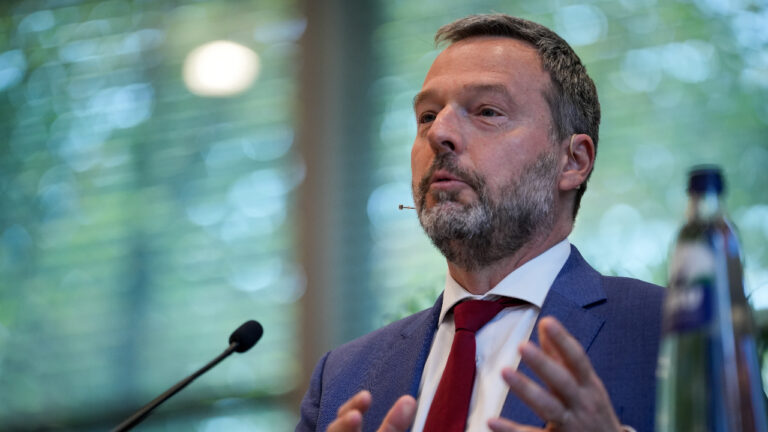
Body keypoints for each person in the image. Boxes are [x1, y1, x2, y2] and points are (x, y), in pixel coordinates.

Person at [296, 13, 663, 432]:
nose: (439, 133)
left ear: (573, 161)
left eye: (487, 111)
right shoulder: (341, 378)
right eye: (427, 116)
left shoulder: (670, 330)